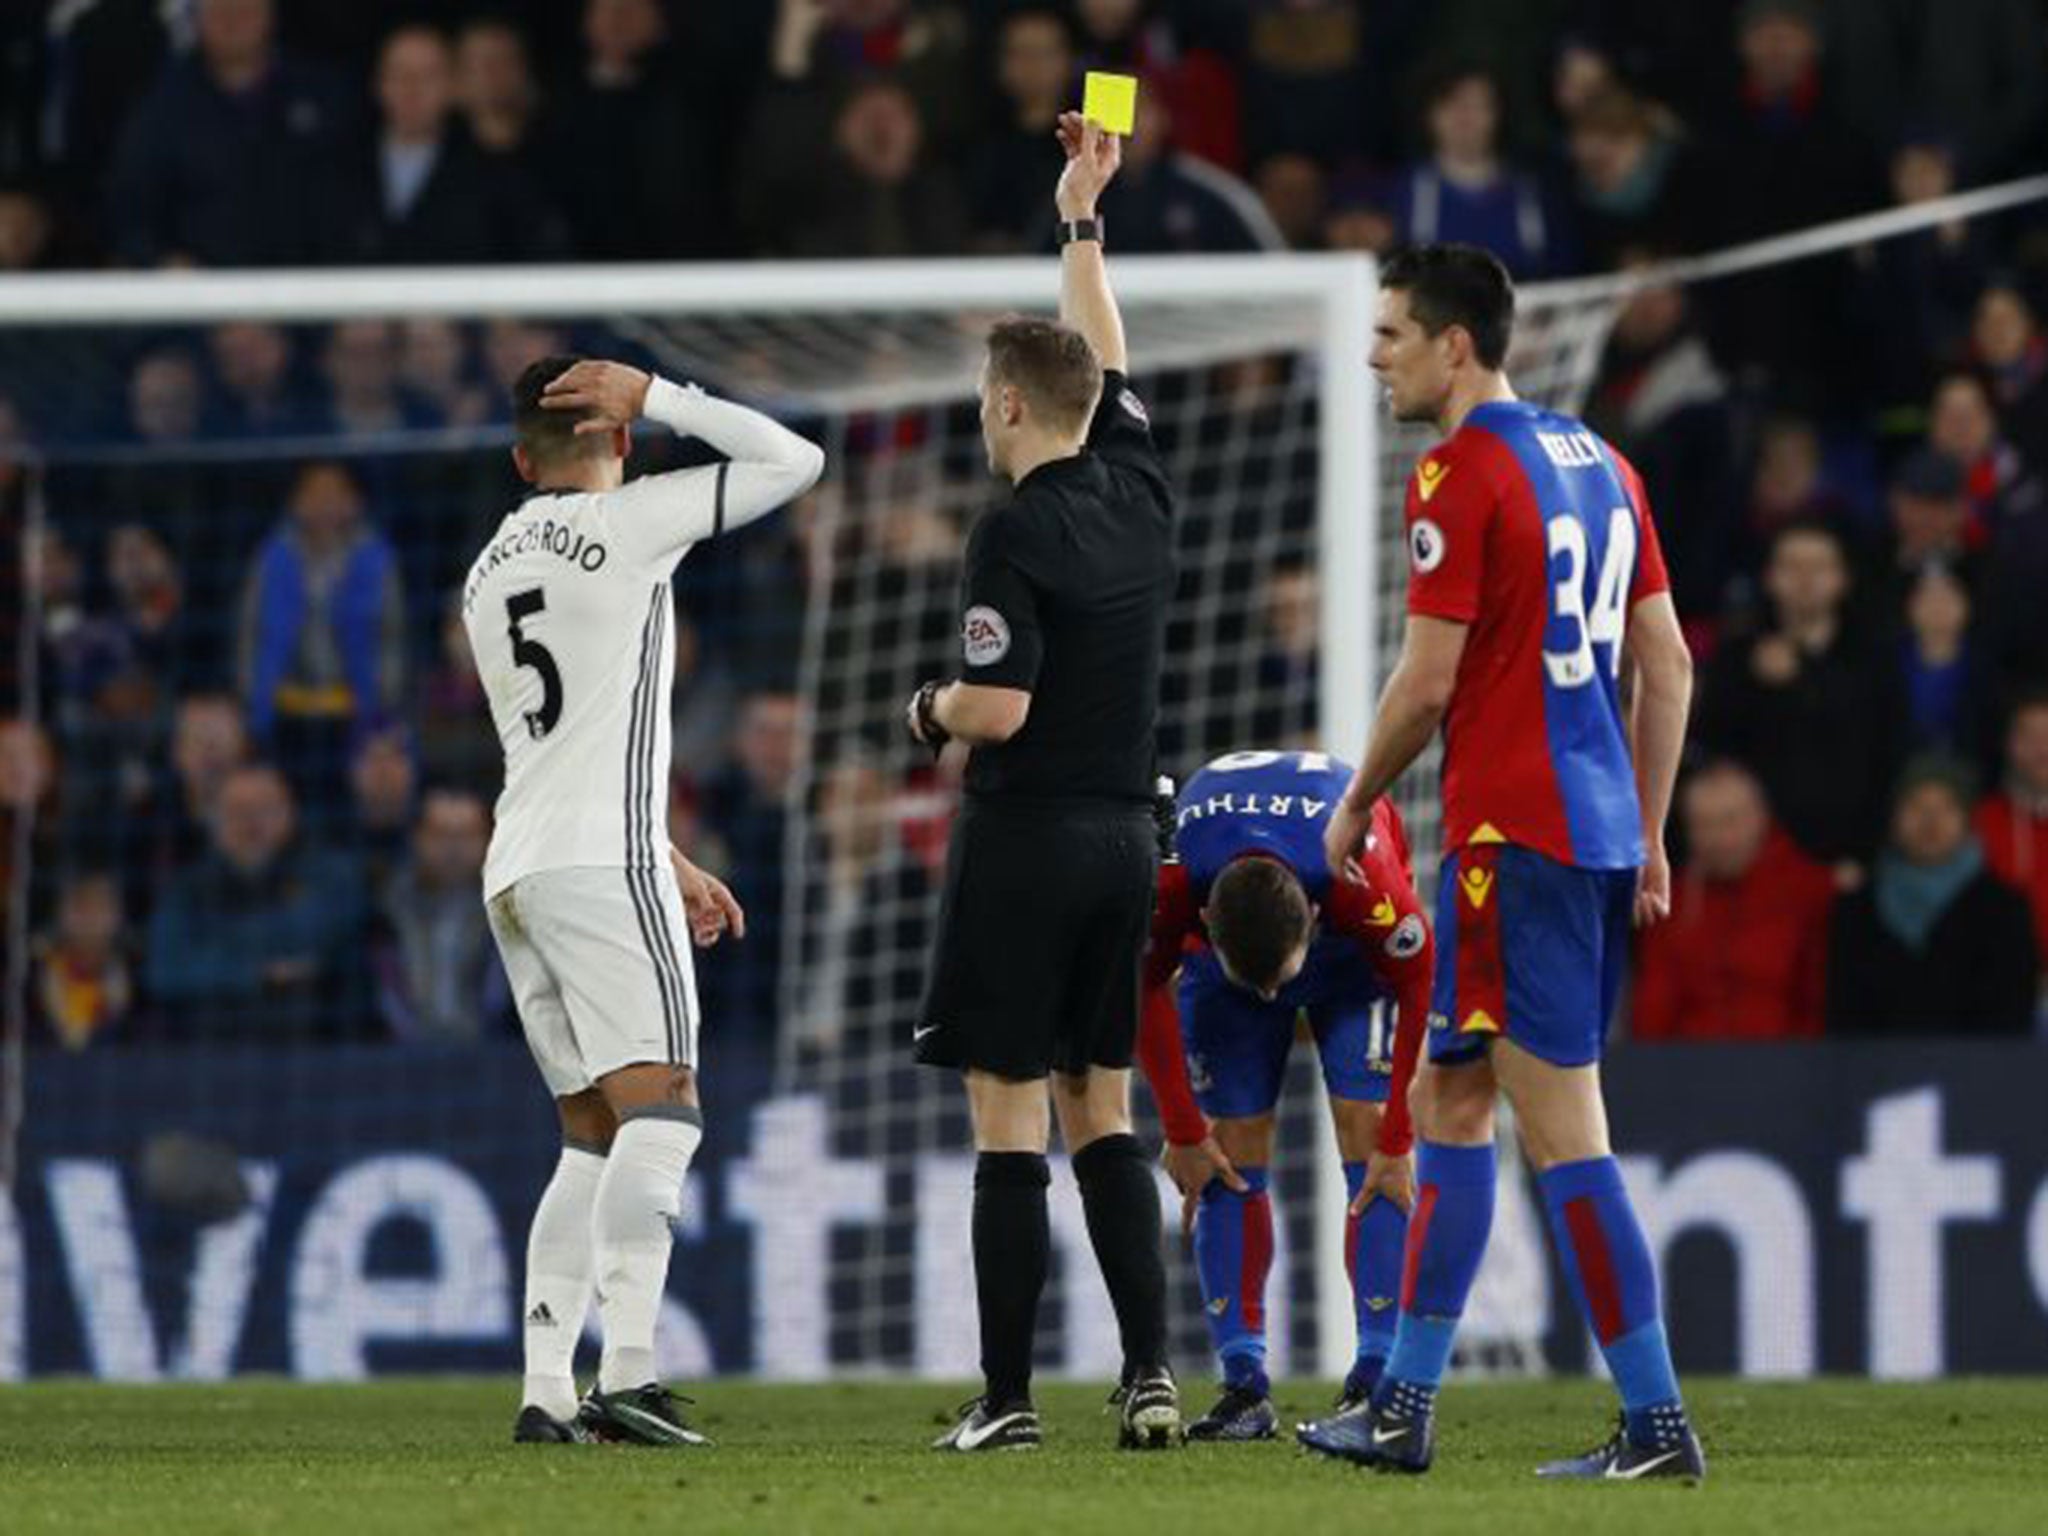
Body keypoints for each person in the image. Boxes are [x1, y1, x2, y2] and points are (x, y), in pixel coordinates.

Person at [1297, 244, 1703, 1480]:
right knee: (1445, 1104)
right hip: (1581, 832)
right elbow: (1667, 665)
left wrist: (1354, 797)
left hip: (1507, 836)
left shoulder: (1457, 472)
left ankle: (1655, 1422)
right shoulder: (1603, 463)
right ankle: (1403, 1403)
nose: (1373, 359)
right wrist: (1645, 832)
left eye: (1389, 337)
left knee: (1563, 1133)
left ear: (1453, 345)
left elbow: (1425, 685)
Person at [463, 351, 821, 1446]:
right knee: (664, 1107)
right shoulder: (634, 524)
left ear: (524, 459)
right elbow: (794, 458)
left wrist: (660, 851)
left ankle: (543, 1389)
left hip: (519, 866)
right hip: (596, 862)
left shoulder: (485, 572)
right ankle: (628, 1371)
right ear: (613, 438)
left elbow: (563, 745)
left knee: (588, 1131)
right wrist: (661, 398)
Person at [905, 116, 1181, 1454]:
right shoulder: (1140, 485)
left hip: (1025, 843)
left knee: (1009, 1116)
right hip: (1129, 838)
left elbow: (996, 709)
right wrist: (1083, 221)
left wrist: (925, 708)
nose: (977, 412)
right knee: (1103, 1107)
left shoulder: (1010, 528)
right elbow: (1105, 350)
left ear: (1010, 407)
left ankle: (1008, 1401)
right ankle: (1149, 1378)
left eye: (981, 397)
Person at [1135, 751, 1432, 1439]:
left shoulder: (1362, 877)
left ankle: (1375, 1376)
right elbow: (1141, 983)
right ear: (1203, 920)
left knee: (1371, 1141)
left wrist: (1400, 1140)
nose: (1277, 999)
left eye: (1281, 981)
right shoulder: (1174, 877)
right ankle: (1244, 1387)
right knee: (1226, 1156)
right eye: (1264, 987)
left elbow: (1419, 982)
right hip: (1223, 964)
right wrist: (1181, 1128)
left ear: (1313, 919)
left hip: (1352, 963)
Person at [145, 762, 364, 1040]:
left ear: (290, 813)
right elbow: (166, 972)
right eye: (237, 811)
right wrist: (258, 974)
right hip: (211, 1055)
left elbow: (318, 931)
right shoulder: (187, 889)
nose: (252, 823)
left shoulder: (330, 873)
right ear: (214, 820)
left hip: (318, 1049)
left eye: (265, 809)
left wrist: (216, 945)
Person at [1826, 757, 2037, 1036]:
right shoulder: (1856, 909)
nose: (1930, 821)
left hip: (1979, 1071)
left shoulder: (2004, 909)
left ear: (1967, 820)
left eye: (1946, 807)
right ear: (1893, 818)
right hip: (1878, 1072)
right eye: (1916, 807)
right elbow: (1844, 1017)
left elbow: (2010, 1018)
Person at [1632, 760, 1835, 1040]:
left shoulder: (1808, 890)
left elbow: (1817, 998)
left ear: (1761, 817)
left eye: (1730, 821)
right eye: (1704, 825)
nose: (1718, 839)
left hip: (1788, 1064)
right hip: (1687, 1067)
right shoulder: (1669, 901)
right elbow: (1655, 1004)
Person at [1975, 692, 2048, 1014]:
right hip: (2000, 996)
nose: (2042, 749)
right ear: (2008, 744)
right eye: (2029, 736)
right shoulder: (1978, 822)